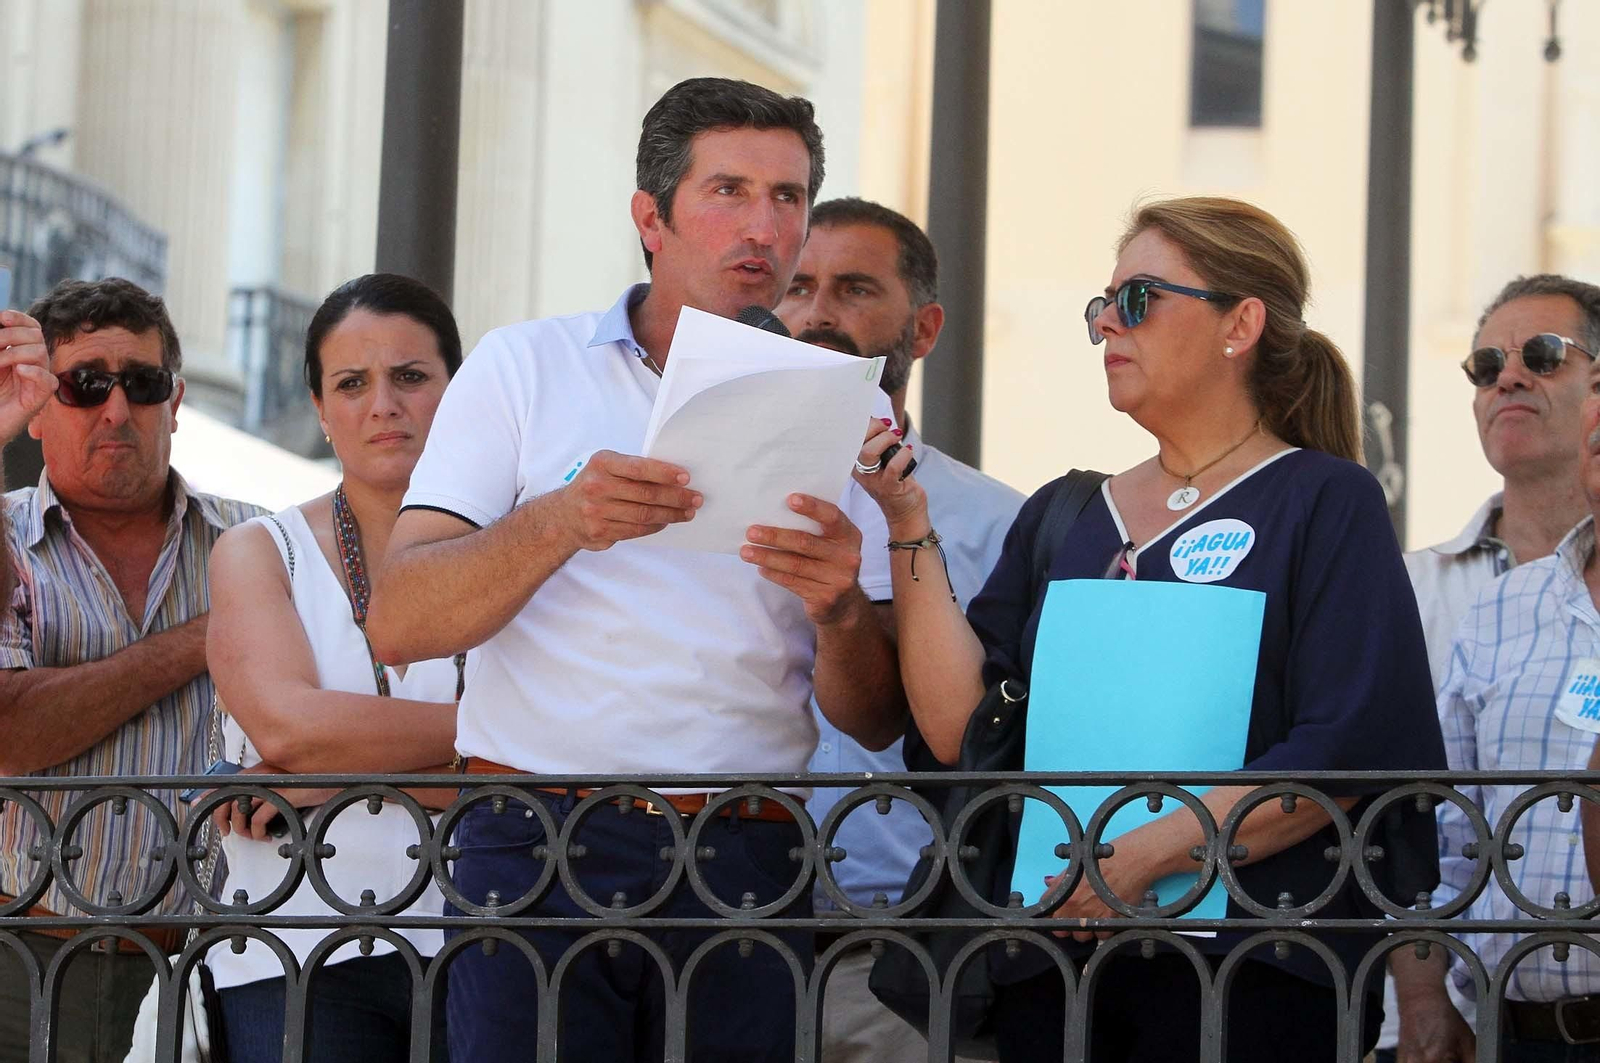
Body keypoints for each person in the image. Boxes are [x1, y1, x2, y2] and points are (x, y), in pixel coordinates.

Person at [364, 78, 906, 1063]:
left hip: (748, 852)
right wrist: (562, 521)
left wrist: (836, 610)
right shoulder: (525, 364)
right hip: (536, 844)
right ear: (649, 217)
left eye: (787, 198)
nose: (763, 225)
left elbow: (873, 716)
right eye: (728, 190)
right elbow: (399, 619)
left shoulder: (843, 408)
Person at [852, 196, 1446, 1063]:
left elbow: (1351, 745)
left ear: (1239, 323)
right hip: (1050, 960)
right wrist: (907, 517)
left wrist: (1146, 856)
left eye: (1138, 300)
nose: (1106, 327)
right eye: (1102, 305)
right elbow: (958, 732)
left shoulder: (1322, 498)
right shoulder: (1068, 511)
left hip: (1250, 971)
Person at [776, 196, 1023, 1063]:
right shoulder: (702, 492)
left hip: (906, 956)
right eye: (799, 287)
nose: (816, 314)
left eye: (852, 289)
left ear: (923, 326)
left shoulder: (1000, 524)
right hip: (722, 933)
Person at [202, 274, 466, 1062]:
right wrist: (489, 741)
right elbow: (287, 725)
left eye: (411, 376)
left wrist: (322, 778)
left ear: (459, 390)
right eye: (352, 383)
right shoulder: (259, 549)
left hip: (493, 933)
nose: (384, 403)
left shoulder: (517, 550)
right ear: (320, 408)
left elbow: (558, 761)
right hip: (294, 943)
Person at [0, 279, 264, 1063]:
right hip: (22, 949)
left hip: (214, 958)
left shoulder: (261, 542)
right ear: (38, 407)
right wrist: (210, 637)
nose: (117, 410)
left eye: (141, 384)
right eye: (86, 384)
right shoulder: (4, 535)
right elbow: (10, 731)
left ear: (174, 402)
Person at [1385, 274, 1600, 1063]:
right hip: (1496, 1030)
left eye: (1543, 355)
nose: (1508, 376)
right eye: (1485, 365)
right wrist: (1422, 999)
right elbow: (1432, 826)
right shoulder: (1423, 587)